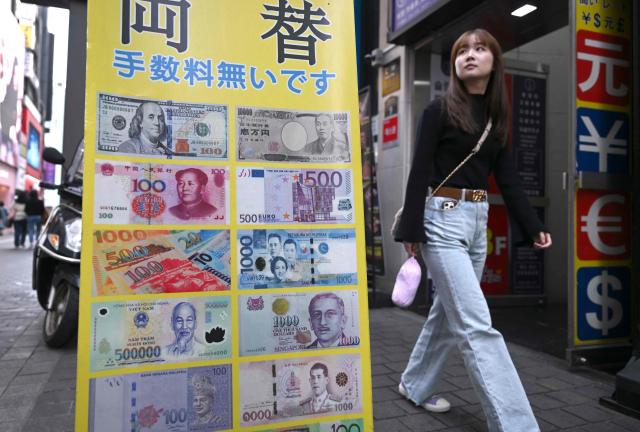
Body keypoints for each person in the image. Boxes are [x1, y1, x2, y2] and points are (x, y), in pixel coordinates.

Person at [395, 29, 552, 429]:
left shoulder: (497, 117)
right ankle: (517, 424)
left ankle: (414, 384)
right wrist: (412, 228)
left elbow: (508, 176)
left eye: (480, 49)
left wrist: (533, 226)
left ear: (494, 61)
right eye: (462, 50)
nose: (469, 55)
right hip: (441, 220)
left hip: (476, 224)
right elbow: (418, 173)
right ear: (455, 63)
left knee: (448, 315)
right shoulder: (438, 110)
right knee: (477, 325)